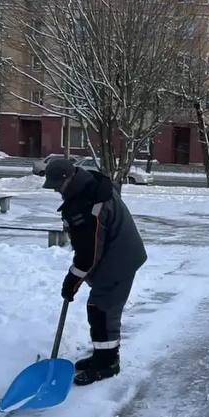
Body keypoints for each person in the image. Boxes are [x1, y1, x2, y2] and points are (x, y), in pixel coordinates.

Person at [42, 157, 147, 386]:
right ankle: (101, 356)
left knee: (101, 309)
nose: (57, 191)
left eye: (58, 186)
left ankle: (108, 363)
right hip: (117, 252)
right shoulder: (89, 186)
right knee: (100, 308)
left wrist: (72, 280)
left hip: (119, 259)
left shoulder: (88, 205)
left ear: (69, 178)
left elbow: (88, 253)